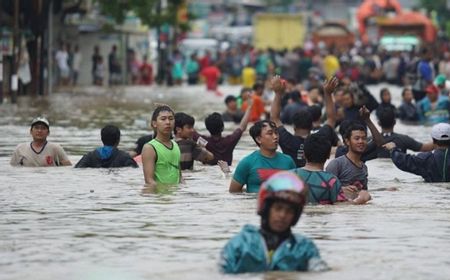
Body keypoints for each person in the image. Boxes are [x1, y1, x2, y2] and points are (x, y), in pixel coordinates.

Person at [221, 171, 329, 273]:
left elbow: (320, 271)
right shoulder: (240, 245)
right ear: (266, 209)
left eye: (289, 211)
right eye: (278, 208)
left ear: (295, 216)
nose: (282, 215)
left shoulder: (304, 248)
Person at [270, 75, 339, 167]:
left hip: (294, 179)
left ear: (294, 127)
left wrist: (278, 93)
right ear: (311, 126)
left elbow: (274, 118)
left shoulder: (287, 140)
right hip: (317, 178)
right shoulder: (319, 139)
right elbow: (331, 118)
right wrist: (328, 93)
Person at [292, 133, 370, 204]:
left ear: (303, 154)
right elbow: (343, 206)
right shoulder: (331, 181)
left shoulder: (289, 175)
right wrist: (360, 200)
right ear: (328, 155)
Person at [229, 120, 296, 193]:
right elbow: (234, 192)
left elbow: (296, 190)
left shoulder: (288, 161)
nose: (275, 137)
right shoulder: (247, 162)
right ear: (258, 139)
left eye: (276, 133)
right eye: (270, 133)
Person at [383, 123, 450, 182]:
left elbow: (403, 161)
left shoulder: (425, 159)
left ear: (433, 140)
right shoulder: (425, 158)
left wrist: (393, 149)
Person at [193, 99, 252, 166]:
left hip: (209, 172)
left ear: (207, 128)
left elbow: (192, 132)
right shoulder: (230, 140)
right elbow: (242, 127)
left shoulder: (204, 141)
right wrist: (249, 108)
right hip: (226, 171)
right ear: (223, 127)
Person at [326, 123, 372, 200]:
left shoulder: (364, 168)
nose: (361, 141)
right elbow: (325, 190)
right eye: (357, 138)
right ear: (347, 141)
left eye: (364, 138)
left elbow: (364, 192)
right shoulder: (336, 164)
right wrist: (341, 189)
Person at [142, 105, 181, 186]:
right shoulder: (149, 148)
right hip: (159, 196)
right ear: (154, 123)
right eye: (163, 119)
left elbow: (179, 176)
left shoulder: (176, 145)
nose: (168, 122)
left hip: (175, 196)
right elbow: (149, 181)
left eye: (171, 119)